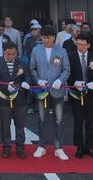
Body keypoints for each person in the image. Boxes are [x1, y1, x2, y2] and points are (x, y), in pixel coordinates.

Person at [29, 25, 71, 161]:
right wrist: (38, 80)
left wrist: (60, 80)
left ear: (54, 37)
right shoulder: (36, 50)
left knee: (58, 120)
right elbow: (32, 68)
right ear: (41, 38)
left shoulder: (62, 51)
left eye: (49, 37)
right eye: (44, 38)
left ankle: (59, 148)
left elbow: (66, 69)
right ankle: (41, 146)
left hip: (57, 89)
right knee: (42, 119)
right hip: (42, 90)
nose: (47, 40)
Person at [0, 41, 30, 158]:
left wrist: (25, 83)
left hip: (19, 98)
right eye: (8, 54)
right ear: (4, 52)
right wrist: (6, 86)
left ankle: (20, 148)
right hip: (4, 98)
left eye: (13, 54)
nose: (11, 56)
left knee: (20, 125)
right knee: (5, 125)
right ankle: (6, 147)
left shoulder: (21, 62)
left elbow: (28, 76)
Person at [67, 33, 93, 159]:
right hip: (76, 93)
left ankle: (90, 146)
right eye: (78, 44)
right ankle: (79, 146)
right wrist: (74, 83)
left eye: (83, 45)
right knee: (78, 119)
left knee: (91, 120)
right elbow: (67, 73)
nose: (80, 47)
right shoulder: (70, 56)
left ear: (88, 45)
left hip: (91, 93)